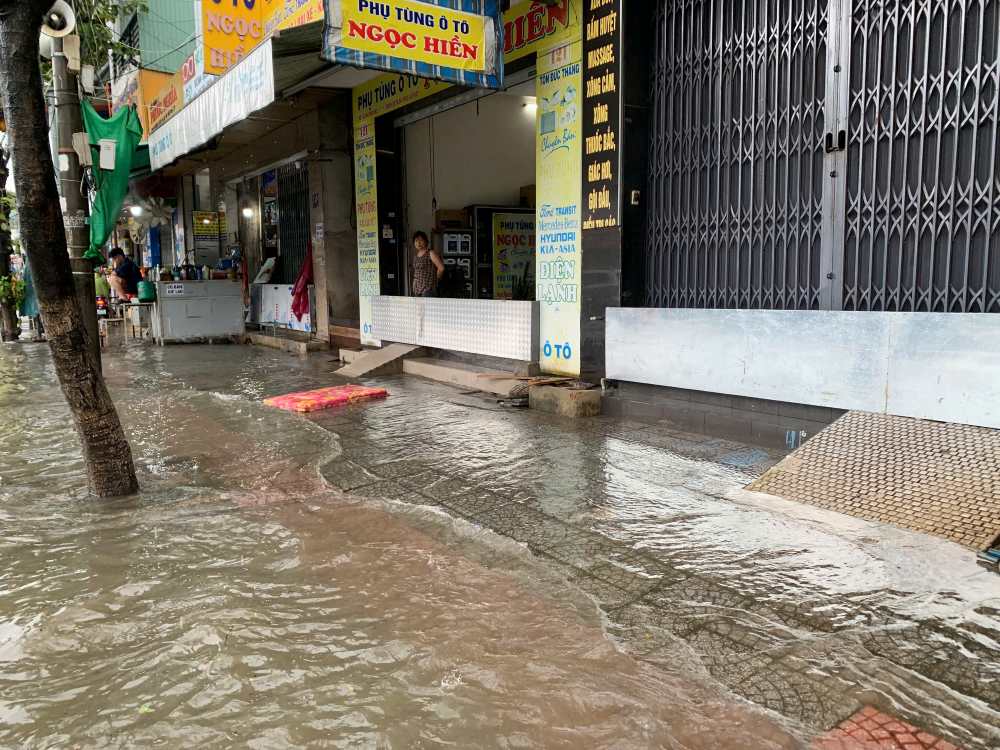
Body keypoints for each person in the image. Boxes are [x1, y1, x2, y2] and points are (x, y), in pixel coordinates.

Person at [410, 231, 443, 297]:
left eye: (421, 240)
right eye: (416, 241)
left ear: (426, 241)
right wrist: (414, 285)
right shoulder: (416, 256)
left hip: (428, 290)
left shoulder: (430, 253)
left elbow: (441, 268)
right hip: (417, 290)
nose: (418, 243)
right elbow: (416, 273)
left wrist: (436, 280)